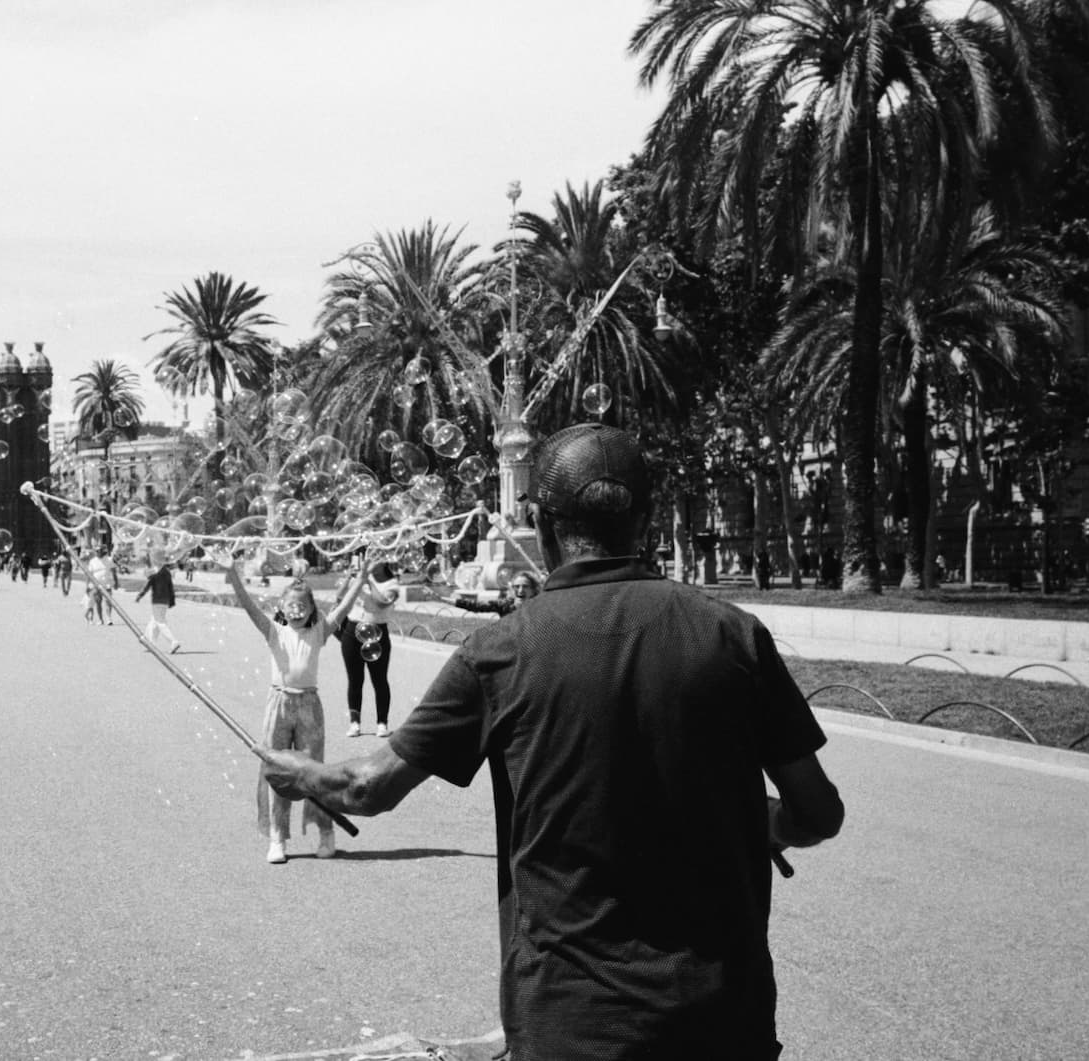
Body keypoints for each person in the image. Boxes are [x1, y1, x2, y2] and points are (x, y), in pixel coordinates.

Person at [256, 423, 844, 1058]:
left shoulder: (503, 649)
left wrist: (298, 772)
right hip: (727, 1020)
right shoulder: (735, 636)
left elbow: (366, 787)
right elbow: (818, 813)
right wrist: (768, 824)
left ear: (539, 522)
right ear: (646, 521)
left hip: (573, 1025)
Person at [226, 559, 367, 865]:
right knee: (277, 771)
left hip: (309, 706)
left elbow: (343, 607)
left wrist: (361, 579)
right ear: (282, 606)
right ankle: (278, 837)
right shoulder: (274, 630)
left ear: (311, 607)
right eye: (291, 605)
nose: (297, 610)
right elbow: (249, 607)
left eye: (302, 605)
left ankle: (326, 833)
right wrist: (234, 577)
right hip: (278, 704)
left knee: (315, 773)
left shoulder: (319, 631)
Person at [339, 558, 399, 738]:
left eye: (376, 560)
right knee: (354, 680)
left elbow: (382, 602)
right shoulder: (360, 578)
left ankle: (382, 723)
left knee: (379, 680)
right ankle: (354, 722)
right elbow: (340, 597)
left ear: (384, 563)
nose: (370, 563)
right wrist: (350, 579)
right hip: (352, 631)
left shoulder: (393, 584)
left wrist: (367, 580)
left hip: (377, 633)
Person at [135, 559, 182, 654]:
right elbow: (170, 587)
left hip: (157, 600)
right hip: (165, 600)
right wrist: (172, 600)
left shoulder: (154, 572)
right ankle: (150, 643)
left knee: (160, 622)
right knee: (154, 620)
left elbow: (147, 585)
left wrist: (140, 595)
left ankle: (173, 641)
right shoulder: (167, 572)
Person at [85, 546, 118, 625]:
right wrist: (87, 586)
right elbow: (89, 574)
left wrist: (116, 582)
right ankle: (100, 619)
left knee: (108, 601)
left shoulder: (109, 560)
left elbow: (114, 572)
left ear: (103, 551)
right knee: (98, 602)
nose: (97, 553)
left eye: (99, 551)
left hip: (107, 584)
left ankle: (109, 618)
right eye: (97, 551)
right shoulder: (93, 561)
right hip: (96, 584)